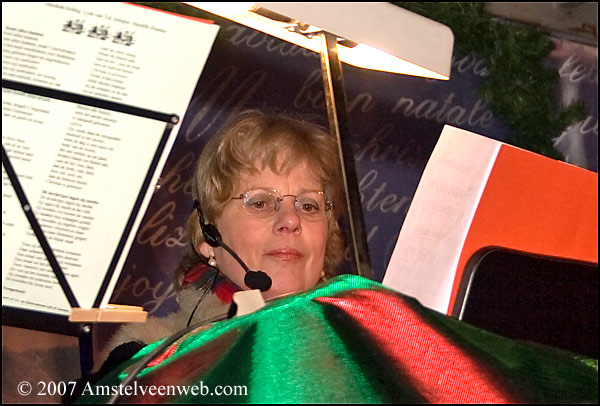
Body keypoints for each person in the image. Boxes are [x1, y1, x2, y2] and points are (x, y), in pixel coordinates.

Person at [97, 110, 346, 369]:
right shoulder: (148, 361)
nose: (291, 220)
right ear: (208, 235)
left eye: (308, 206)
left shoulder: (364, 349)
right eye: (260, 203)